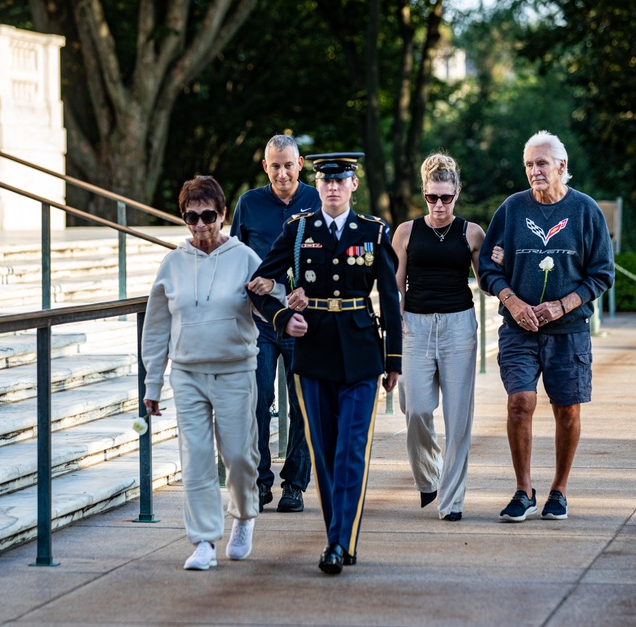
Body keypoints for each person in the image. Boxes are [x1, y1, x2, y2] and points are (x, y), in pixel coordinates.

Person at [246, 152, 402, 575]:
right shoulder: (298, 232)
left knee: (352, 450)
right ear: (318, 185)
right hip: (312, 353)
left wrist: (394, 360)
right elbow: (257, 285)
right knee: (325, 453)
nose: (333, 186)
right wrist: (282, 317)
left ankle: (337, 541)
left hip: (361, 353)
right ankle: (340, 536)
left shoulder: (373, 232)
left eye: (341, 179)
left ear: (353, 185)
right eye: (325, 180)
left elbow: (389, 298)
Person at [141, 175, 285, 570]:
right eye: (192, 217)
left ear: (223, 214)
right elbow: (155, 329)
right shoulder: (172, 263)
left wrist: (280, 294)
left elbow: (273, 299)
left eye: (209, 216)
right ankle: (203, 540)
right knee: (197, 458)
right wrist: (152, 382)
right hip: (187, 374)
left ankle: (243, 514)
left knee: (239, 456)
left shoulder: (244, 257)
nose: (201, 225)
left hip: (236, 369)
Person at [477, 130, 614, 523]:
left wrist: (561, 306)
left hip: (568, 329)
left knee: (567, 410)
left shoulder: (586, 211)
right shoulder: (511, 210)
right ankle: (523, 490)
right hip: (519, 328)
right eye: (529, 165)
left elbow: (602, 274)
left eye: (541, 163)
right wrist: (514, 302)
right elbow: (488, 267)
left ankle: (559, 490)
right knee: (520, 402)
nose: (534, 171)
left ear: (561, 166)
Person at [391, 152, 485, 522]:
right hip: (414, 325)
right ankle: (428, 477)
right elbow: (396, 287)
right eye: (432, 197)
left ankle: (452, 502)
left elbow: (488, 283)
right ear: (423, 194)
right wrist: (392, 330)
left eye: (446, 197)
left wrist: (503, 261)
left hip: (459, 326)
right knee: (415, 409)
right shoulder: (406, 232)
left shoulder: (471, 232)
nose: (439, 204)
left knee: (458, 418)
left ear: (457, 192)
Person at [230, 134, 321, 513]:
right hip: (260, 321)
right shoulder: (249, 203)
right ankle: (260, 481)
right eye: (275, 166)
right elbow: (234, 255)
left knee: (302, 405)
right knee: (257, 401)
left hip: (303, 320)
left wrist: (290, 282)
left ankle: (295, 485)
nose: (282, 173)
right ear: (265, 167)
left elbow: (332, 255)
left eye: (289, 165)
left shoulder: (318, 200)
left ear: (300, 165)